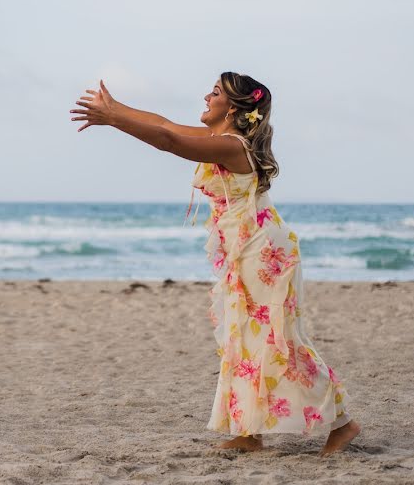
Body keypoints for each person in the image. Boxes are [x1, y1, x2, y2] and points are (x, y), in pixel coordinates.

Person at [70, 73, 359, 455]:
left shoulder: (231, 146)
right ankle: (247, 432)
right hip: (245, 249)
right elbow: (164, 124)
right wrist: (115, 107)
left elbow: (167, 141)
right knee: (239, 338)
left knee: (278, 341)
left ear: (235, 108)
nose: (207, 96)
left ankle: (343, 424)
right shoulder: (219, 140)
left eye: (217, 92)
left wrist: (114, 121)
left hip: (263, 253)